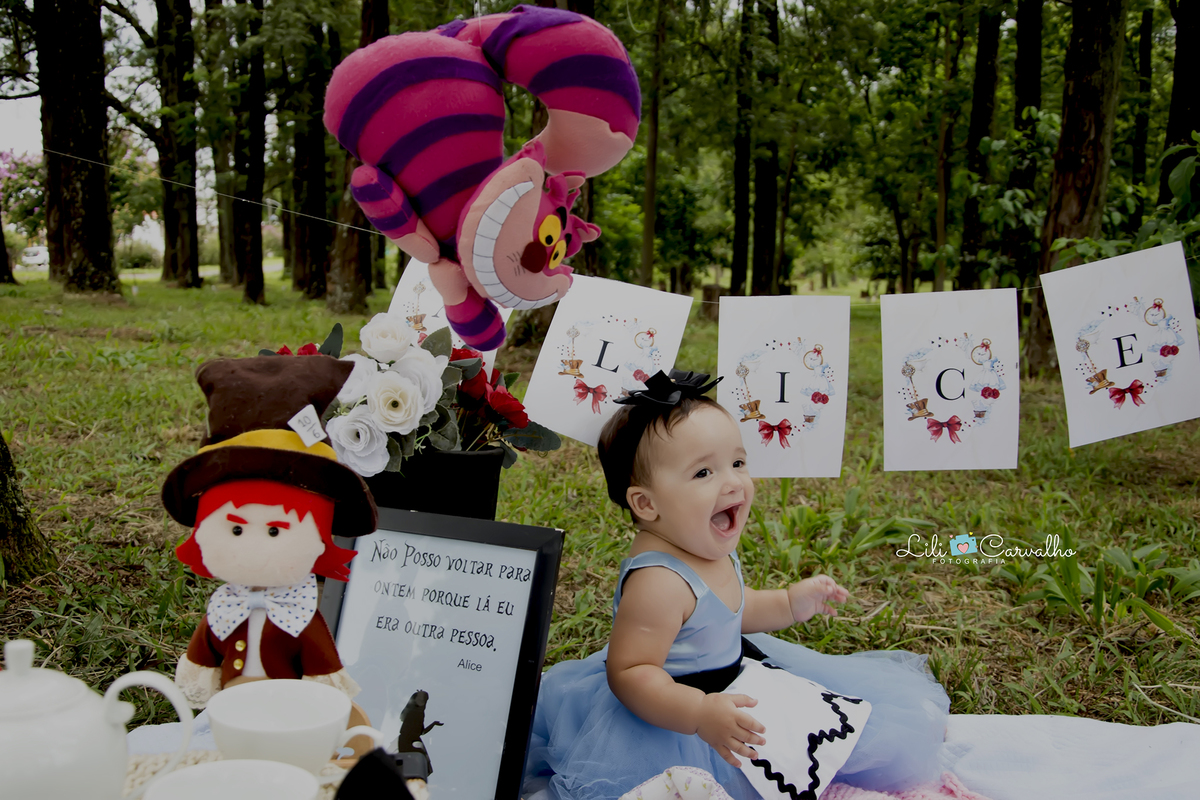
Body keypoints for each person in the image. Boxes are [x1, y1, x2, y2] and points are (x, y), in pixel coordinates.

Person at [523, 370, 949, 800]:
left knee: (825, 732)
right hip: (670, 713)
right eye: (704, 472)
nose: (733, 482)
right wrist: (697, 714)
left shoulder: (701, 542)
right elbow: (630, 672)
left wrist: (788, 602)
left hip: (730, 679)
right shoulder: (659, 582)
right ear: (646, 504)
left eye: (738, 463)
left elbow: (726, 614)